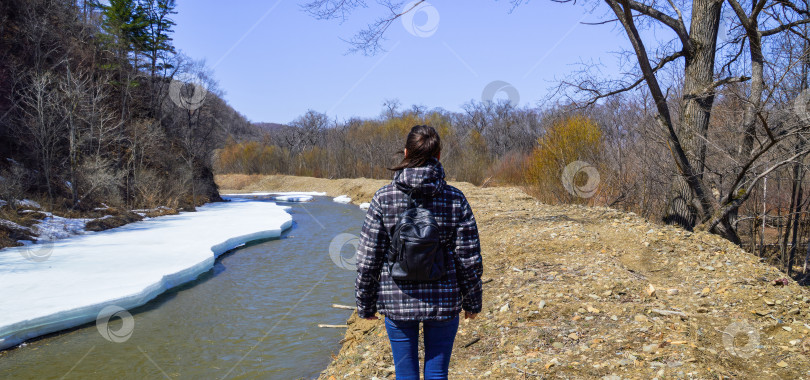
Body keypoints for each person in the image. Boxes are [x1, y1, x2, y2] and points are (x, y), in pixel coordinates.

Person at [355, 125, 484, 380]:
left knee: (405, 373)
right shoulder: (454, 199)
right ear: (438, 156)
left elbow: (368, 258)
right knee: (437, 373)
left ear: (405, 153)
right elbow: (469, 259)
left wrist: (365, 304)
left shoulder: (383, 198)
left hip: (396, 300)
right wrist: (472, 302)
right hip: (444, 301)